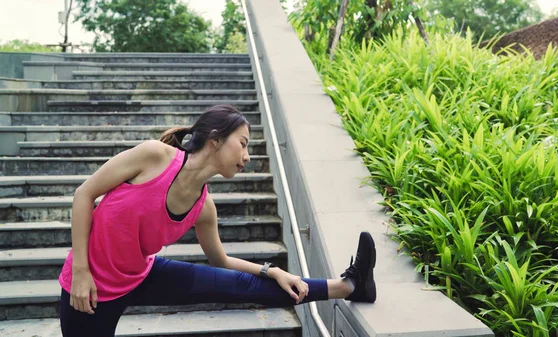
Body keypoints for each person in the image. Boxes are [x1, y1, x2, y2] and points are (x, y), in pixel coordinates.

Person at [58, 104, 377, 337]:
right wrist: (82, 273)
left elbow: (220, 260)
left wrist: (274, 270)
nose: (248, 156)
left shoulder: (204, 207)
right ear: (215, 139)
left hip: (141, 274)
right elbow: (84, 195)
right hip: (90, 288)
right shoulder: (153, 156)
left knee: (245, 286)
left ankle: (349, 286)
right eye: (243, 143)